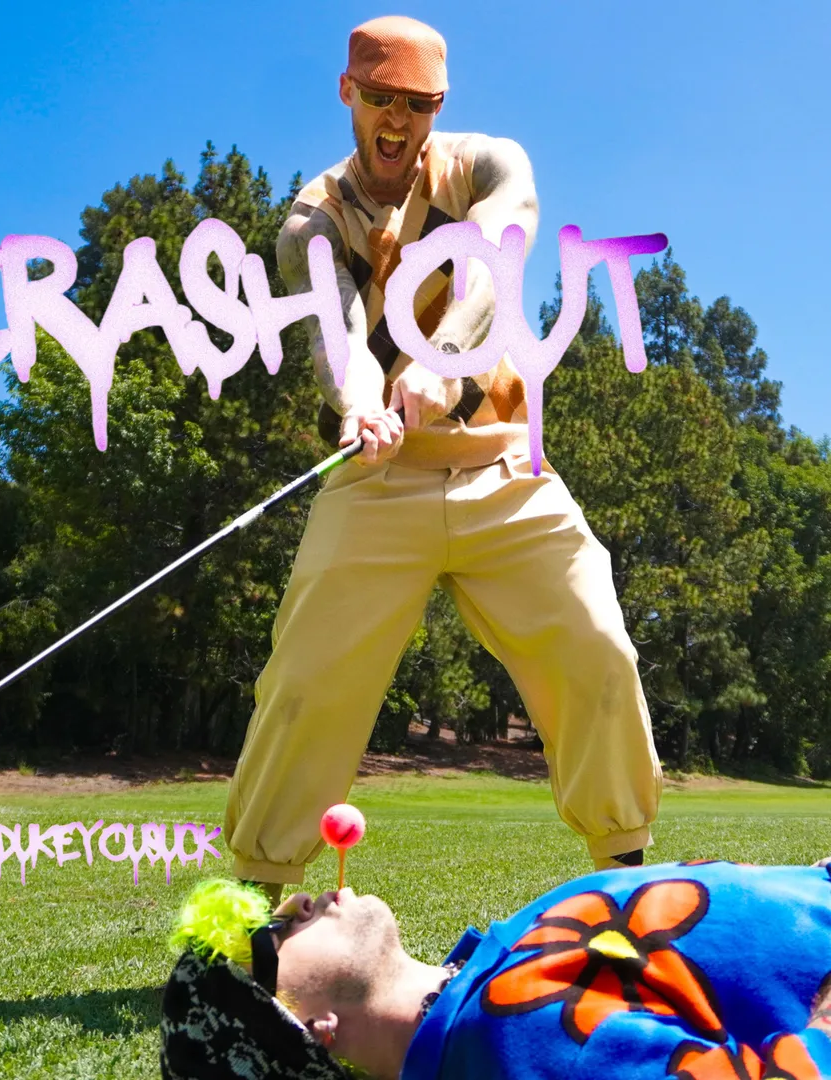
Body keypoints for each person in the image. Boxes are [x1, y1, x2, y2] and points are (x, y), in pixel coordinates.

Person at [224, 12, 661, 907]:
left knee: (597, 650)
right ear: (347, 92)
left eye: (417, 104)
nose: (397, 119)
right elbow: (335, 337)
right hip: (378, 480)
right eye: (379, 98)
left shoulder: (489, 165)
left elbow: (497, 261)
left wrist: (441, 359)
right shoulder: (311, 221)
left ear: (440, 105)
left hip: (505, 471)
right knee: (304, 684)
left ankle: (627, 889)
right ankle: (257, 912)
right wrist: (360, 403)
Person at [159, 867, 831, 1079]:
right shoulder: (506, 1045)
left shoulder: (485, 992)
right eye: (273, 935)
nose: (297, 903)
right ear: (306, 1029)